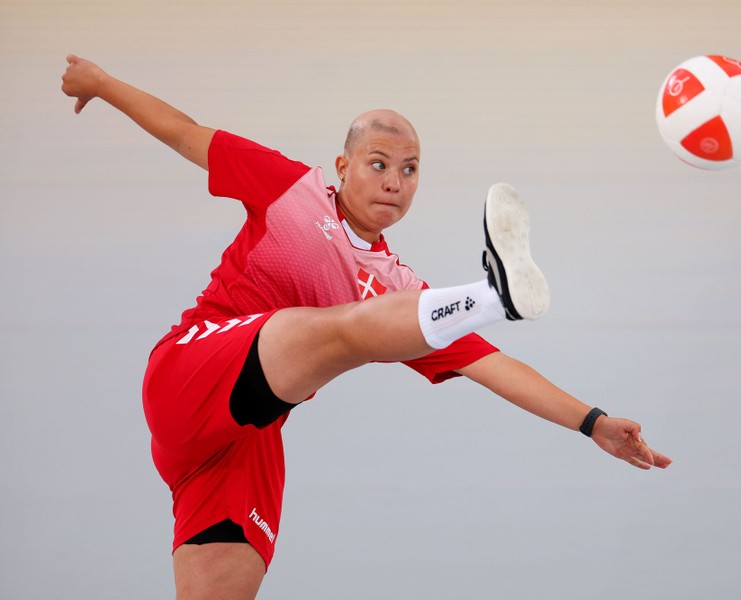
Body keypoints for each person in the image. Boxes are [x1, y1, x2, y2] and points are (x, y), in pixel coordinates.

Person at [61, 54, 672, 600]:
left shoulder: (401, 292)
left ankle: (494, 298)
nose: (393, 182)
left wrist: (592, 422)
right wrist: (103, 83)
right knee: (340, 332)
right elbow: (186, 132)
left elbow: (495, 367)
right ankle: (492, 294)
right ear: (342, 165)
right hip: (189, 373)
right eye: (378, 164)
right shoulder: (290, 189)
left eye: (409, 170)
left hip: (240, 442)